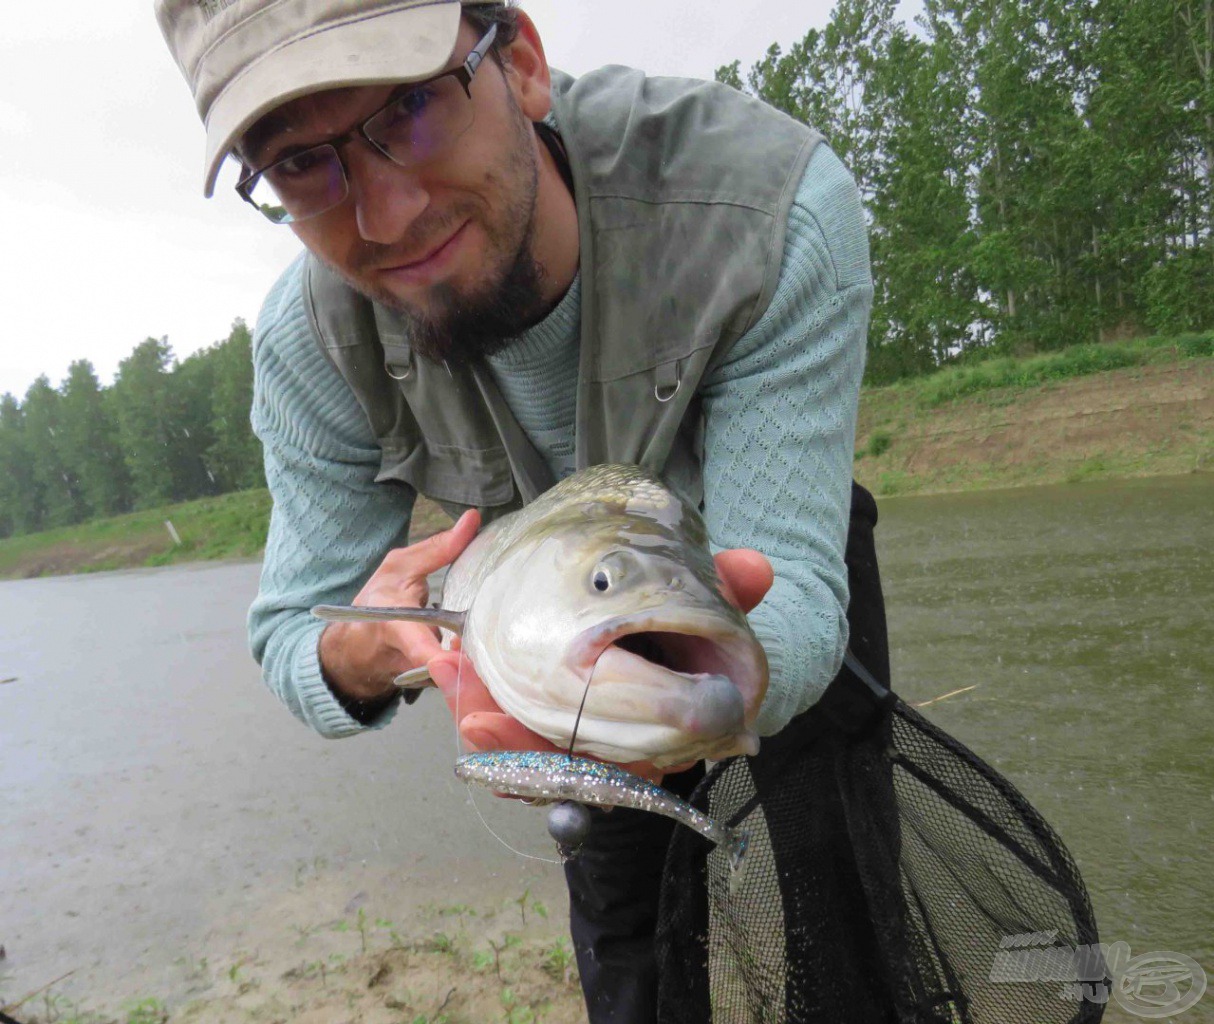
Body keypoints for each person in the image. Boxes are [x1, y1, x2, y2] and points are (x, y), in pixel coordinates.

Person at [156, 2, 873, 1020]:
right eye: (301, 166)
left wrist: (720, 691)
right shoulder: (309, 343)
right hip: (562, 621)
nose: (386, 214)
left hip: (749, 576)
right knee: (627, 935)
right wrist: (366, 652)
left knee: (840, 895)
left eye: (409, 108)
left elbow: (791, 585)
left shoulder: (770, 208)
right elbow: (291, 632)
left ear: (522, 65)